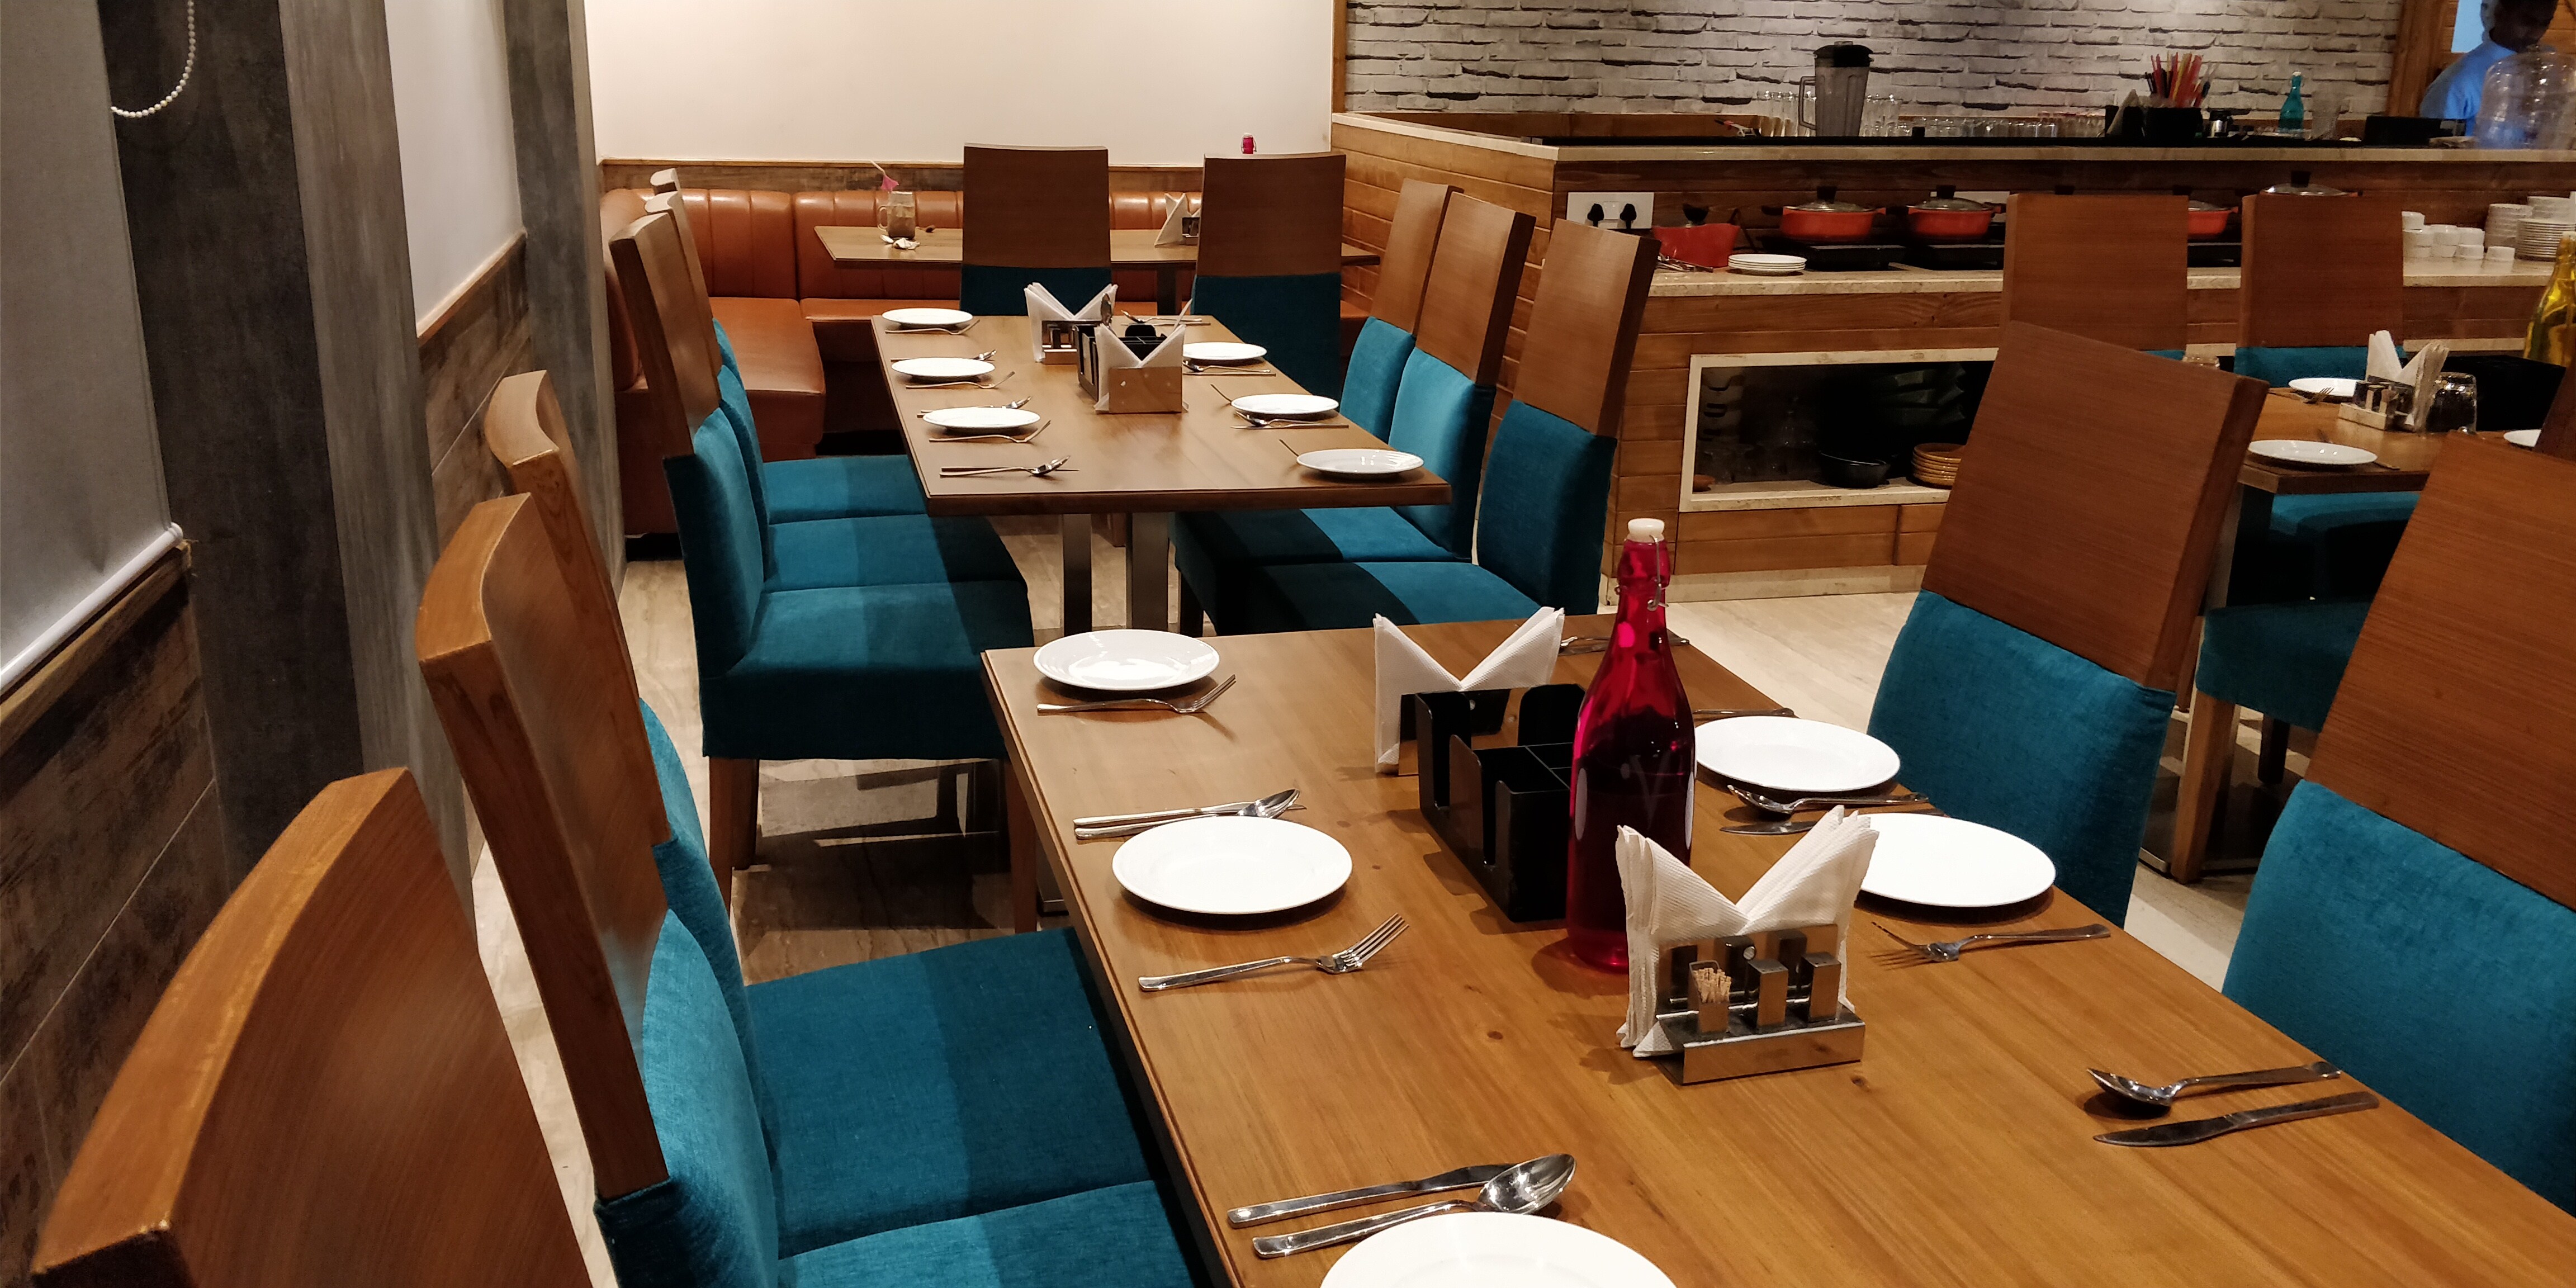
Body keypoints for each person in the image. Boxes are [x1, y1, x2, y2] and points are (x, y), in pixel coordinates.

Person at [2422, 0, 2558, 120]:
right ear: (2500, 13)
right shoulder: (2458, 82)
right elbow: (2433, 139)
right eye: (2527, 22)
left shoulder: (2547, 72)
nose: (2536, 34)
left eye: (2545, 24)